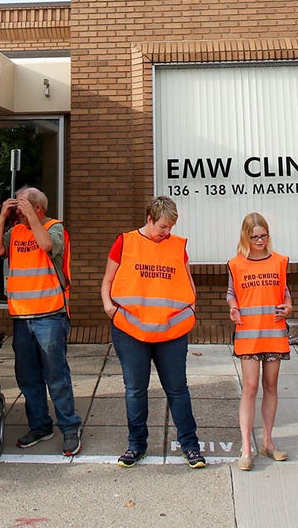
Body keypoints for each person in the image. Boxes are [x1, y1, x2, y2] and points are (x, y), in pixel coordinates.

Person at [101, 196, 205, 469]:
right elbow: (108, 280)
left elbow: (188, 283)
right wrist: (109, 308)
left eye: (170, 227)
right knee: (135, 390)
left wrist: (191, 308)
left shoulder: (177, 246)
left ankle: (190, 445)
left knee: (177, 389)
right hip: (131, 329)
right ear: (149, 219)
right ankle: (136, 445)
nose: (166, 232)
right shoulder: (125, 242)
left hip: (170, 330)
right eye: (162, 227)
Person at [0, 187, 81, 454]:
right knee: (27, 377)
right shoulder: (15, 231)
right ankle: (40, 425)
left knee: (56, 375)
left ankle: (69, 427)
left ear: (38, 207)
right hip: (22, 316)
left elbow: (47, 245)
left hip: (50, 315)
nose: (18, 211)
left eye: (22, 206)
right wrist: (3, 217)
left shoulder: (54, 228)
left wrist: (31, 215)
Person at [227, 213, 292, 471]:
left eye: (263, 235)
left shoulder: (279, 261)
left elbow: (286, 294)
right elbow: (231, 293)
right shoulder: (236, 264)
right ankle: (246, 447)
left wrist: (288, 308)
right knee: (250, 387)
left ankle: (268, 442)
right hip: (249, 334)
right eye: (254, 236)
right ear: (245, 236)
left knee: (271, 386)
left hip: (274, 333)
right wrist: (233, 308)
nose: (259, 240)